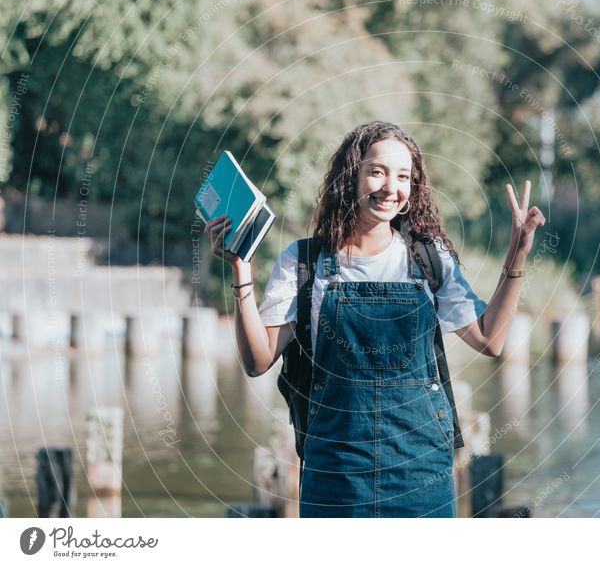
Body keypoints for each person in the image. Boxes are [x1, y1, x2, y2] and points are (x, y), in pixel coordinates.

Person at [204, 121, 546, 517]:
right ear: (351, 177)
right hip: (335, 473)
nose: (391, 187)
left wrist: (518, 253)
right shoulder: (303, 262)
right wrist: (240, 268)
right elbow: (256, 360)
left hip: (422, 472)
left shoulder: (428, 258)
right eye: (377, 171)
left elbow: (491, 339)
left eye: (404, 176)